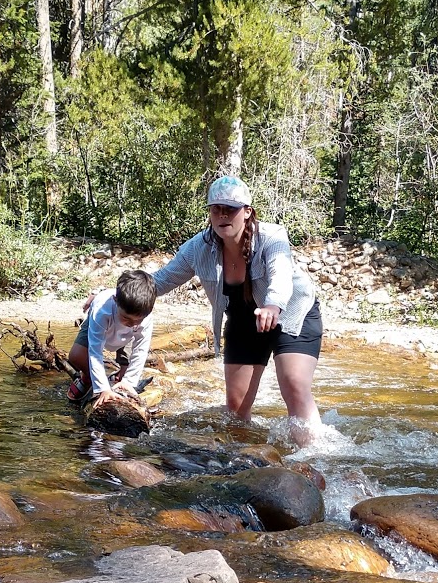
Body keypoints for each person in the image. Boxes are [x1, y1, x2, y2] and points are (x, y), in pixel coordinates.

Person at [150, 175, 322, 436]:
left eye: (230, 209)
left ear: (247, 211)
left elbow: (281, 275)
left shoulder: (272, 236)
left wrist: (273, 305)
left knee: (294, 384)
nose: (222, 215)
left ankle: (314, 453)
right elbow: (160, 280)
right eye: (216, 209)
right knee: (236, 410)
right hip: (243, 322)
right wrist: (115, 294)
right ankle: (246, 456)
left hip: (291, 313)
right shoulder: (197, 248)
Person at [67, 268, 156, 404]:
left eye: (138, 320)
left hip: (128, 335)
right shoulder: (101, 311)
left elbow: (140, 350)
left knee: (127, 366)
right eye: (126, 318)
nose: (131, 323)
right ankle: (88, 378)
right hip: (101, 324)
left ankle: (119, 379)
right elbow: (95, 352)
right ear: (115, 301)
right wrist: (103, 388)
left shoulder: (145, 317)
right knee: (76, 356)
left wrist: (129, 382)